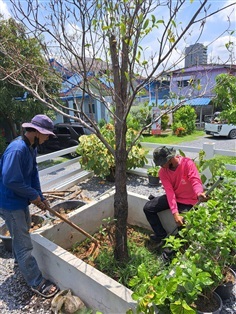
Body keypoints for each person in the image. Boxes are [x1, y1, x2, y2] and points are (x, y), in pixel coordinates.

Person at [0, 114, 59, 298]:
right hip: (9, 202)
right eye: (47, 134)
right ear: (37, 132)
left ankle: (20, 264)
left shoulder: (31, 148)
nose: (48, 137)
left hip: (20, 200)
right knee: (24, 244)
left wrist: (40, 197)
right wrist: (33, 196)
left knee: (22, 231)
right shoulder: (16, 150)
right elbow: (10, 180)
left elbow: (34, 175)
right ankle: (36, 282)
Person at [143, 146, 207, 244]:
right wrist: (175, 213)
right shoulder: (163, 172)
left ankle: (169, 253)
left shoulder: (187, 163)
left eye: (162, 164)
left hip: (188, 201)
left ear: (169, 159)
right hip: (174, 198)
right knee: (148, 208)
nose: (160, 166)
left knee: (183, 225)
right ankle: (161, 236)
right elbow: (170, 192)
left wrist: (199, 193)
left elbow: (195, 180)